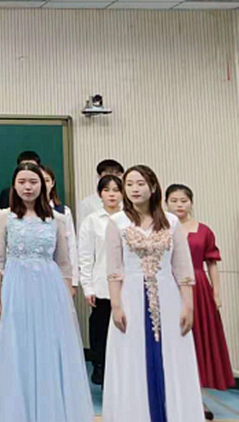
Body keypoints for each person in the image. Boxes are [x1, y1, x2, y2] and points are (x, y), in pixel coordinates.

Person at [0, 163, 93, 422]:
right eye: (22, 182)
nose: (27, 187)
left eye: (33, 182)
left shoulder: (57, 219)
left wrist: (66, 300)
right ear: (14, 186)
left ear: (43, 185)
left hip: (50, 290)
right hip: (14, 289)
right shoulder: (3, 217)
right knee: (15, 349)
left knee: (48, 349)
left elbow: (64, 263)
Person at [103, 166, 204, 422]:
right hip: (130, 297)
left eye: (140, 183)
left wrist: (188, 305)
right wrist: (116, 305)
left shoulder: (171, 222)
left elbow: (182, 267)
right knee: (132, 357)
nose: (134, 189)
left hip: (168, 297)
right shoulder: (117, 222)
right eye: (129, 184)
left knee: (173, 356)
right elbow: (114, 270)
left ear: (153, 187)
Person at [166, 184, 234, 420]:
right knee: (173, 340)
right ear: (166, 203)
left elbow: (212, 263)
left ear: (191, 203)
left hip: (199, 289)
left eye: (183, 200)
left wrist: (216, 293)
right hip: (170, 286)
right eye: (174, 200)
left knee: (199, 343)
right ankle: (172, 397)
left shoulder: (204, 231)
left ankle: (198, 399)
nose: (179, 205)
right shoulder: (162, 229)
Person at [78, 174, 123, 386]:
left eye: (116, 190)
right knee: (101, 329)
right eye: (107, 190)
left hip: (127, 285)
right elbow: (85, 255)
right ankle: (100, 367)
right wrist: (88, 287)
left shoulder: (130, 219)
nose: (111, 194)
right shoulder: (92, 220)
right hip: (101, 285)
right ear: (99, 194)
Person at [42, 165, 79, 297]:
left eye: (47, 180)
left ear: (52, 183)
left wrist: (73, 281)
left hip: (58, 275)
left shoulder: (63, 212)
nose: (43, 185)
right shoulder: (22, 212)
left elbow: (71, 246)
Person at [77, 159, 124, 231]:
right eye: (108, 173)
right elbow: (82, 229)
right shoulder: (87, 202)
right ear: (99, 176)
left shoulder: (128, 200)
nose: (112, 177)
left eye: (117, 174)